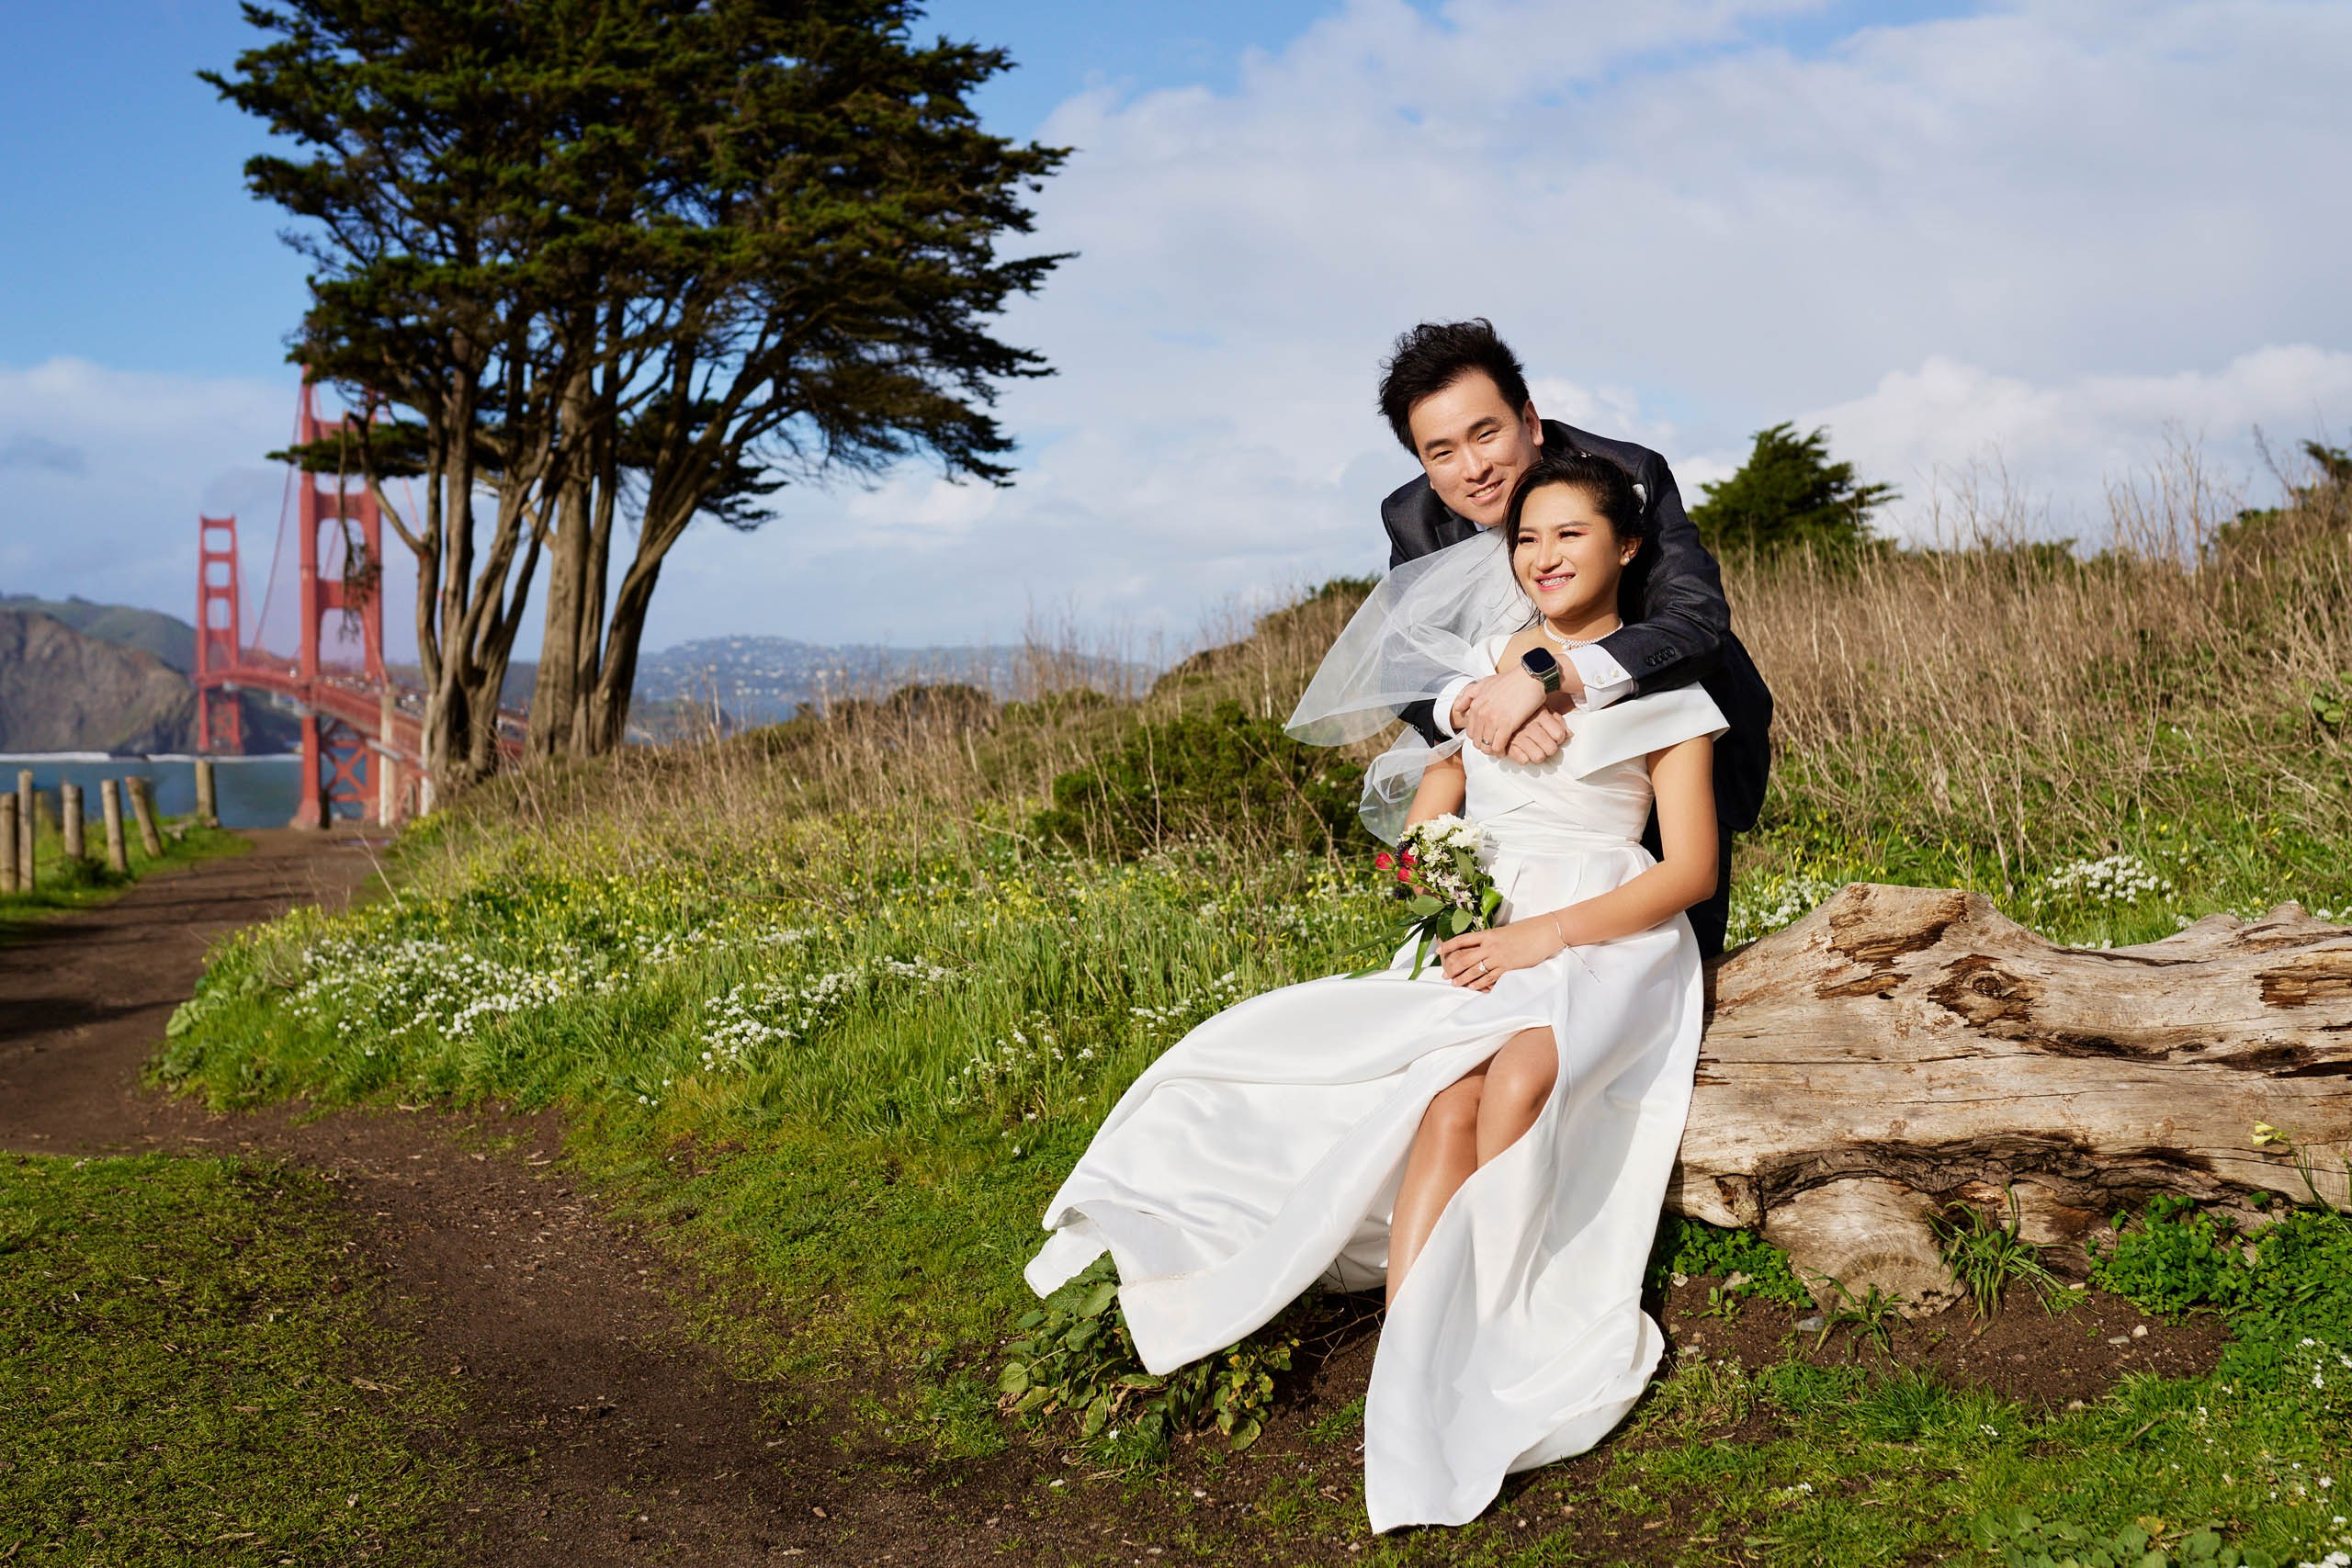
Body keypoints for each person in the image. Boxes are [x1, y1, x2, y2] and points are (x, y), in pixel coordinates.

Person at [1026, 453, 1725, 1531]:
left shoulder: (1666, 693)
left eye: (1568, 536)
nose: (1541, 556)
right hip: (1490, 925)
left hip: (1604, 930)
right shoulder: (1492, 671)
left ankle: (1490, 1324)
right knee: (1441, 1100)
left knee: (1524, 1080)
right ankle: (1413, 1353)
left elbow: (1690, 873)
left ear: (1626, 547)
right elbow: (1436, 796)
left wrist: (1539, 933)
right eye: (1527, 539)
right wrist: (1436, 856)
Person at [1375, 319, 1771, 957]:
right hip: (1518, 798)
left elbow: (1694, 620)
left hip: (1653, 756)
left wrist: (1543, 679)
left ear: (1529, 422)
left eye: (1487, 433)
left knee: (1677, 977)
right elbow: (1402, 659)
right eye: (1441, 452)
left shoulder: (1626, 473)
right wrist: (1480, 699)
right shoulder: (1412, 518)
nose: (1472, 469)